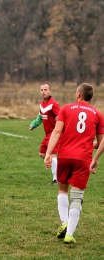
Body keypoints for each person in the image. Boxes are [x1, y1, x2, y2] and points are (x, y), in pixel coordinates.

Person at [44, 83, 104, 244]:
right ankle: (69, 234)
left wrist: (49, 153)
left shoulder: (66, 108)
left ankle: (64, 222)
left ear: (78, 94)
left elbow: (56, 131)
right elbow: (101, 142)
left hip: (64, 156)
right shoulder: (98, 114)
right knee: (77, 197)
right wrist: (95, 158)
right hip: (83, 158)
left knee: (62, 190)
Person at [29, 83, 60, 184]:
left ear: (50, 91)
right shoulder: (42, 104)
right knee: (42, 154)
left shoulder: (54, 104)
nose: (43, 92)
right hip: (48, 134)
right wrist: (33, 124)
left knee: (51, 154)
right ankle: (60, 168)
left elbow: (60, 117)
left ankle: (56, 178)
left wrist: (58, 120)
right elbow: (40, 118)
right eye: (41, 90)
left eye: (45, 90)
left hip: (54, 133)